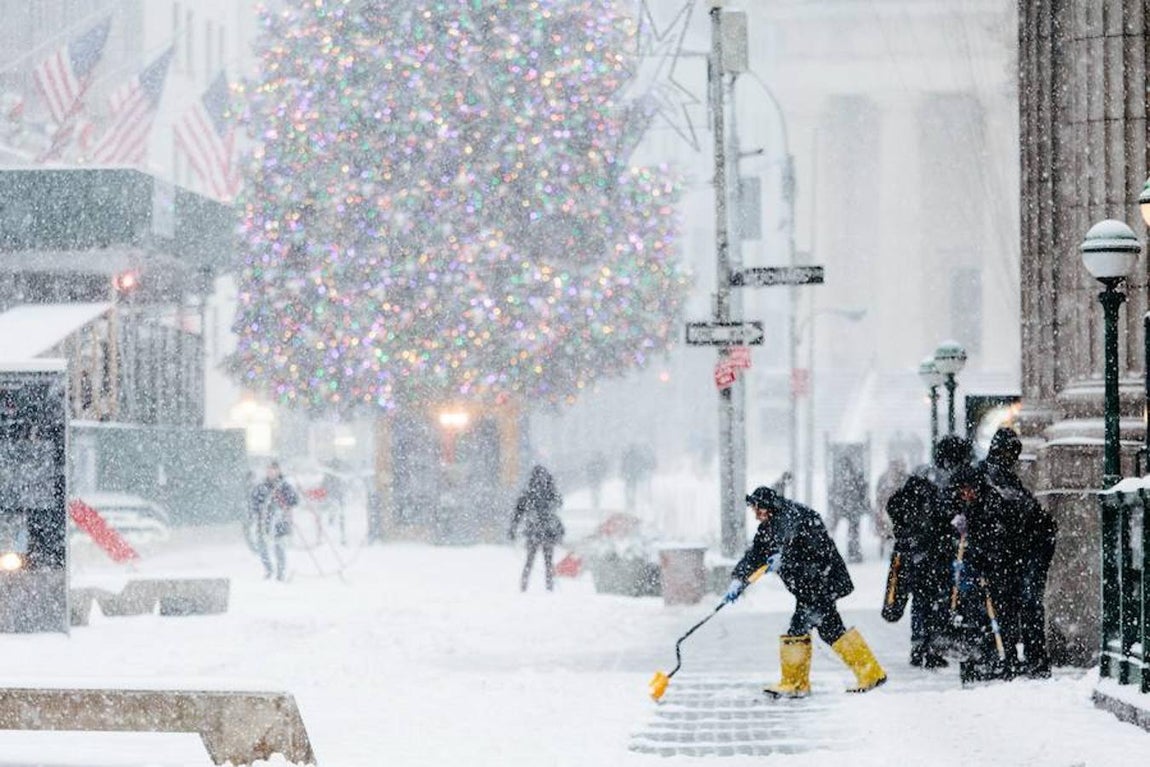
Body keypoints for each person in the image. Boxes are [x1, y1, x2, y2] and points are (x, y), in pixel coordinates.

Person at [724, 485, 887, 698]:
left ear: (768, 506)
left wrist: (785, 558)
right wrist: (738, 579)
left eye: (758, 510)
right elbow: (756, 554)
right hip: (809, 587)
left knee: (799, 629)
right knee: (831, 630)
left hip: (822, 582)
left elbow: (815, 551)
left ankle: (795, 683)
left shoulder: (798, 517)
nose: (756, 515)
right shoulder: (769, 526)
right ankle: (869, 673)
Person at [979, 427, 1056, 678]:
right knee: (1017, 606)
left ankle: (1019, 658)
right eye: (1008, 452)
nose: (1011, 458)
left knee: (1018, 606)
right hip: (1011, 551)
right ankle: (1020, 658)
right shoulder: (991, 477)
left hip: (1019, 550)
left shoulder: (1002, 478)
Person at [509, 465, 566, 592]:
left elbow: (518, 512)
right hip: (548, 532)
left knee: (530, 561)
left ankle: (524, 587)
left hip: (533, 531)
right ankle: (549, 587)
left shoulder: (529, 492)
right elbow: (559, 504)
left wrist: (513, 529)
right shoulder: (550, 491)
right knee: (548, 562)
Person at [249, 461, 300, 581]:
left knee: (279, 547)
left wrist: (284, 505)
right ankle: (268, 570)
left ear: (278, 471)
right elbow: (254, 503)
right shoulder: (261, 487)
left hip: (280, 521)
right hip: (264, 521)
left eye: (273, 469)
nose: (271, 471)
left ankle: (280, 573)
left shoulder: (285, 486)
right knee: (262, 547)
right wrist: (259, 512)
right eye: (269, 469)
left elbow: (294, 501)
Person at [874, 457, 908, 557]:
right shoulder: (884, 479)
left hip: (896, 510)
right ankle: (887, 549)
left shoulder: (903, 478)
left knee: (892, 531)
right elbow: (879, 495)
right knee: (887, 531)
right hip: (888, 510)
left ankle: (892, 551)